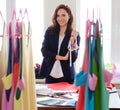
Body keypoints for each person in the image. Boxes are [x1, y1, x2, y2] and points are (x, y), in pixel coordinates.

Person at [39, 4, 80, 84]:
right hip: (50, 73)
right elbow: (44, 51)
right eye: (58, 15)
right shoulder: (49, 31)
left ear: (69, 16)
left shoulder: (75, 34)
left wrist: (72, 41)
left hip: (66, 75)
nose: (60, 18)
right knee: (49, 96)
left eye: (63, 15)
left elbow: (73, 58)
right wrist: (63, 58)